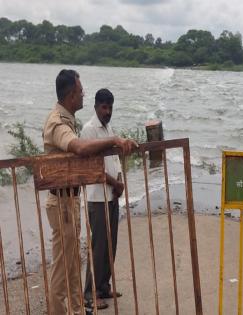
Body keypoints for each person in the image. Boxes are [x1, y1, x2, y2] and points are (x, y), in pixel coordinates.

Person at [43, 69, 138, 314]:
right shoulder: (57, 122)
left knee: (73, 261)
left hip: (70, 200)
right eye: (81, 90)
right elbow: (80, 148)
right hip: (61, 201)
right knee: (63, 265)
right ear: (71, 94)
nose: (83, 94)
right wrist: (115, 140)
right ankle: (58, 310)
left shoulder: (68, 120)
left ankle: (76, 309)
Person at [82, 89, 124, 310]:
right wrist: (115, 184)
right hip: (97, 197)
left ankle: (103, 286)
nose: (107, 112)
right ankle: (90, 294)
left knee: (111, 245)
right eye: (104, 107)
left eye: (110, 107)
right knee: (98, 247)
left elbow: (113, 160)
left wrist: (119, 182)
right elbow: (92, 168)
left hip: (111, 195)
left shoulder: (109, 128)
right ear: (96, 106)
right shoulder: (89, 130)